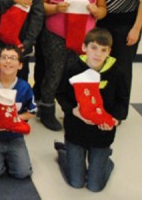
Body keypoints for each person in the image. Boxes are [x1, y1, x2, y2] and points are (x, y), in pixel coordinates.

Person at [38, 0, 107, 131]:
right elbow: (40, 6)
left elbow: (103, 10)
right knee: (54, 73)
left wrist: (96, 11)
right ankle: (47, 110)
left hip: (85, 40)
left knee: (78, 73)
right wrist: (55, 8)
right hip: (56, 35)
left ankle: (76, 108)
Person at [54, 28, 129, 192]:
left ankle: (105, 161)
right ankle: (65, 153)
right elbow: (61, 94)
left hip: (102, 133)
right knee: (76, 183)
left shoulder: (117, 72)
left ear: (109, 51)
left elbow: (123, 101)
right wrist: (72, 111)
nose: (98, 54)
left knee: (95, 186)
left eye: (104, 50)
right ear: (84, 47)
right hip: (76, 131)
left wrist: (114, 120)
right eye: (94, 48)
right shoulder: (73, 68)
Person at [0, 45, 35, 180]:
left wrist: (15, 119)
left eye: (13, 58)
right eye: (4, 58)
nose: (8, 61)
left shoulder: (24, 87)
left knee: (23, 172)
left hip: (14, 136)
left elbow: (32, 111)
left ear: (20, 65)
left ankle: (8, 156)